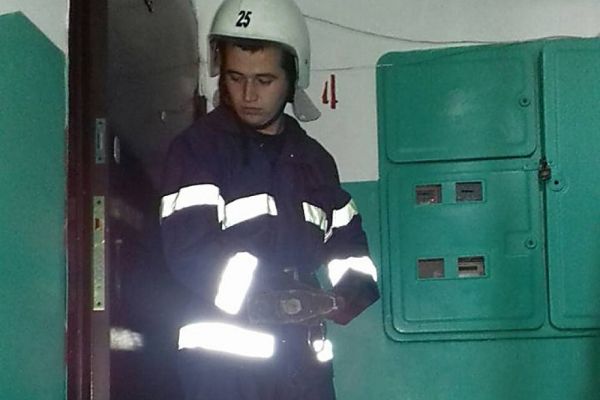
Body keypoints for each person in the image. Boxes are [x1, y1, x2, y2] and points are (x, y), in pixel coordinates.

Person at [159, 0, 379, 398]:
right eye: (235, 77)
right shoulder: (197, 151)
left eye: (264, 80)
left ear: (293, 78)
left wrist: (348, 293)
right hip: (223, 372)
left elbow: (347, 246)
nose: (248, 94)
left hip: (303, 368)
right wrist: (271, 298)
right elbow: (189, 250)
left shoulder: (315, 162)